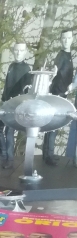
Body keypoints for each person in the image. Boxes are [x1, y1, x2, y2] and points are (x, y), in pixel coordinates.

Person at [0, 43, 32, 169]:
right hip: (6, 104)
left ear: (25, 52)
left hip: (15, 105)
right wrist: (3, 99)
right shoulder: (11, 66)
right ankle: (2, 153)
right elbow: (7, 86)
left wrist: (18, 102)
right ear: (13, 51)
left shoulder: (26, 69)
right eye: (16, 50)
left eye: (21, 50)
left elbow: (25, 90)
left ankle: (9, 159)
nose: (18, 53)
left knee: (9, 131)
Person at [43, 30, 76, 166]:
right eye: (63, 38)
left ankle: (47, 154)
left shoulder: (68, 55)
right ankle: (49, 155)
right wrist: (51, 75)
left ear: (72, 39)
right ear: (60, 40)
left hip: (63, 94)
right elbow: (54, 70)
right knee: (54, 125)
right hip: (57, 94)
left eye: (68, 38)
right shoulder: (61, 55)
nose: (66, 40)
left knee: (54, 125)